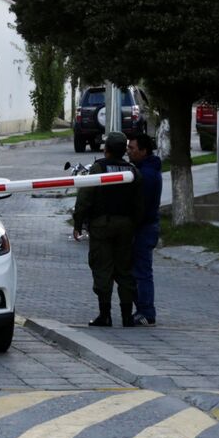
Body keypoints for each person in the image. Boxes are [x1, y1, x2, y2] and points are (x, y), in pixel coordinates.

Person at [71, 131, 140, 327]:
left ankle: (105, 315)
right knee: (124, 270)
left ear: (106, 149)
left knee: (102, 268)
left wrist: (78, 223)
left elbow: (85, 197)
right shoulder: (132, 170)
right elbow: (139, 201)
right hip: (126, 226)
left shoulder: (99, 168)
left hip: (102, 225)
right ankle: (127, 316)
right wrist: (135, 224)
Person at [126, 131, 165, 326]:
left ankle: (146, 312)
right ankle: (142, 309)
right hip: (143, 226)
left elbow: (142, 205)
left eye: (132, 148)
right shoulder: (143, 169)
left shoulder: (146, 175)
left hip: (144, 228)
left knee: (142, 271)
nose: (128, 151)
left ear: (143, 151)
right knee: (135, 270)